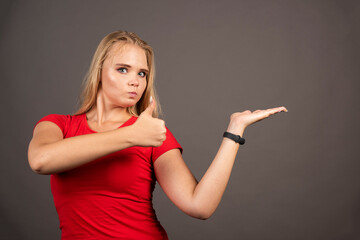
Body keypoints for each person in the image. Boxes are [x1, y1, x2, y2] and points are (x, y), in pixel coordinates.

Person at [28, 30, 287, 239]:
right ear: (99, 72)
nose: (135, 81)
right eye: (122, 69)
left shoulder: (152, 134)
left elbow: (200, 206)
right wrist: (131, 135)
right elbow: (41, 160)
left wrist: (234, 131)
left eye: (142, 73)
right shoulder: (58, 125)